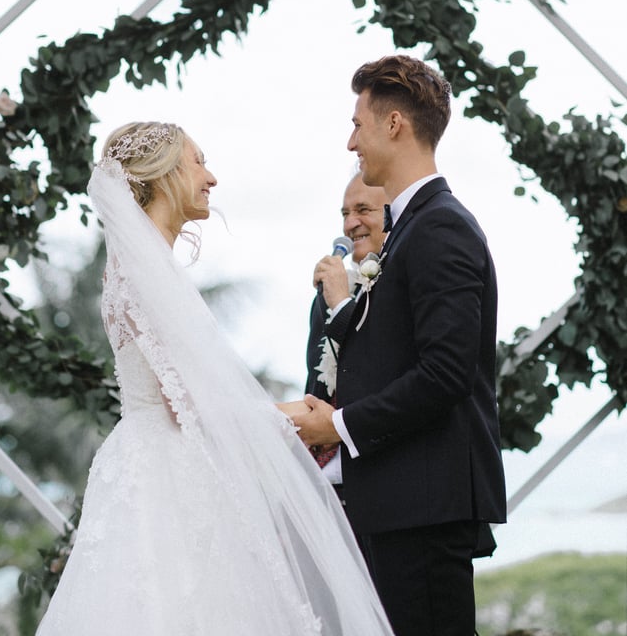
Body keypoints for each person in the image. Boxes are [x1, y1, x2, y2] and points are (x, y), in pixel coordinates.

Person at [35, 121, 393, 636]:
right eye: (199, 161)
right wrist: (293, 415)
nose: (213, 178)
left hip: (165, 462)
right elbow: (187, 403)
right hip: (168, 479)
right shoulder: (142, 274)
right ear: (164, 174)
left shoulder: (148, 266)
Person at [286, 56, 507, 636]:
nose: (350, 140)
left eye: (357, 123)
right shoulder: (410, 227)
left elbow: (445, 374)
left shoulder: (441, 227)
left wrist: (340, 426)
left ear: (393, 125)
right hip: (398, 503)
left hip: (423, 510)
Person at [305, 173, 386, 483]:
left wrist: (342, 303)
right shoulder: (331, 291)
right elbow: (316, 384)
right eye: (345, 214)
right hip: (328, 479)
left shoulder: (401, 287)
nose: (350, 224)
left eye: (363, 210)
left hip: (379, 473)